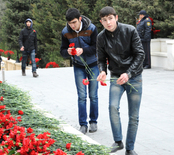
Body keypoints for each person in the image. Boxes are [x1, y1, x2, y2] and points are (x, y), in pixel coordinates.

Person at [97, 6, 144, 155]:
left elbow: (140, 54)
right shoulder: (101, 37)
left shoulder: (130, 30)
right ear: (101, 22)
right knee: (112, 107)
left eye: (110, 18)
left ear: (116, 18)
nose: (108, 22)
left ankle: (130, 149)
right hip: (116, 77)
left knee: (134, 115)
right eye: (104, 20)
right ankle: (118, 141)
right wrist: (103, 71)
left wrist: (129, 73)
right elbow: (101, 59)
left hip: (134, 77)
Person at [60, 8, 99, 134]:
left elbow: (97, 47)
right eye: (70, 23)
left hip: (93, 64)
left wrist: (84, 50)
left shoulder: (92, 28)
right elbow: (62, 50)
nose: (73, 26)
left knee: (93, 95)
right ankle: (83, 124)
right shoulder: (65, 32)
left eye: (74, 22)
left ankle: (93, 121)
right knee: (81, 96)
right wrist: (68, 52)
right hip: (78, 65)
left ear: (80, 19)